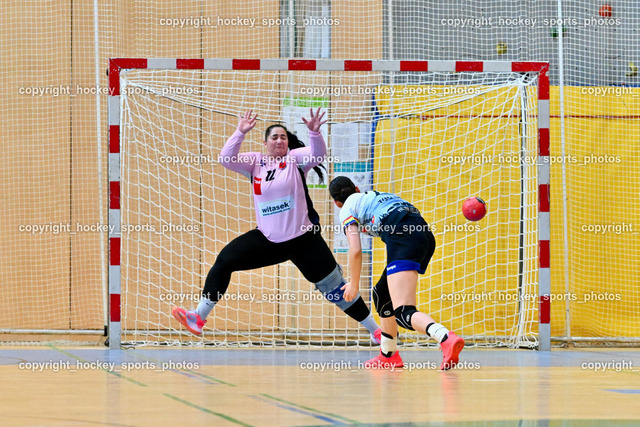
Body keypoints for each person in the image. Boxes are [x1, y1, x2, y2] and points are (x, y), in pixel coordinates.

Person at [172, 109, 381, 344]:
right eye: (274, 137)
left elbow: (318, 154)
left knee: (336, 291)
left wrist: (314, 133)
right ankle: (198, 317)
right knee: (224, 261)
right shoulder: (255, 163)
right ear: (265, 143)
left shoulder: (295, 159)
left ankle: (376, 332)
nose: (279, 140)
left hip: (304, 240)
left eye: (283, 137)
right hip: (269, 240)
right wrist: (240, 132)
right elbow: (226, 159)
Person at [328, 176, 465, 370]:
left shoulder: (347, 208)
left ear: (336, 203)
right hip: (423, 235)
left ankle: (445, 338)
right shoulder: (376, 195)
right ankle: (388, 355)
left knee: (403, 312)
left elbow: (355, 250)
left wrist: (354, 284)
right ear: (357, 188)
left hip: (402, 237)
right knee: (382, 294)